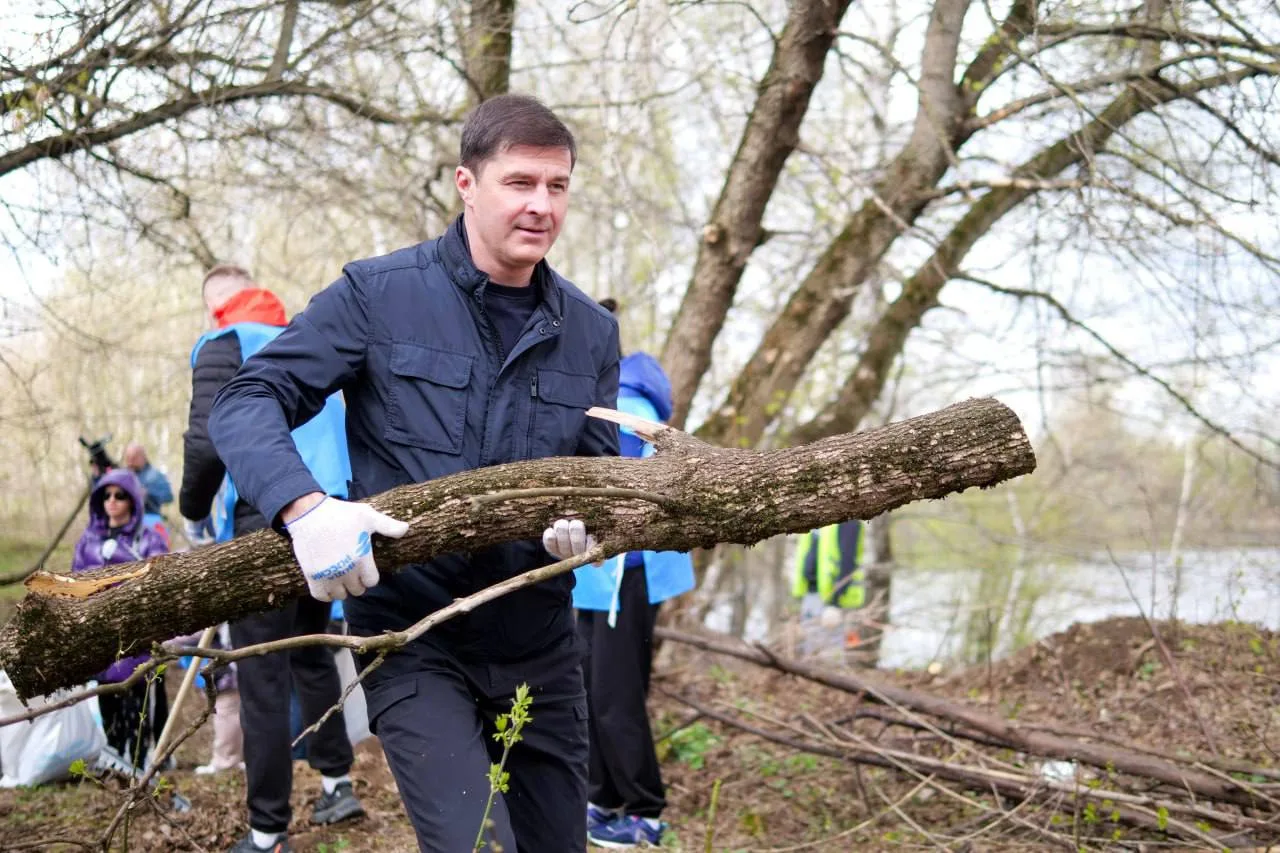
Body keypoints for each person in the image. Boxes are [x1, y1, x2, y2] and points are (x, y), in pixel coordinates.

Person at [207, 93, 619, 853]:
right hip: (412, 637)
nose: (541, 206)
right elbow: (246, 399)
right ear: (467, 184)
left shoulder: (591, 332)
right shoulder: (380, 295)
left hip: (538, 642)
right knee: (473, 846)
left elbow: (596, 475)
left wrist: (586, 533)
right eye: (520, 183)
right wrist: (304, 508)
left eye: (557, 186)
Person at [180, 263, 362, 853]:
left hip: (267, 519)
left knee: (260, 671)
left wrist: (192, 509)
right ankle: (338, 783)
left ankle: (266, 832)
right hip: (331, 514)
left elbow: (209, 438)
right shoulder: (302, 341)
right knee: (310, 657)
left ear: (218, 307)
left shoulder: (221, 343)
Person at [573, 339, 694, 848]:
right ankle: (602, 800)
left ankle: (644, 812)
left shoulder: (626, 402)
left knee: (615, 697)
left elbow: (627, 491)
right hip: (593, 579)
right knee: (587, 688)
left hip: (628, 571)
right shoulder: (600, 393)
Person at [71, 469, 170, 769]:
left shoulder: (147, 539)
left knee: (137, 702)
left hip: (135, 635)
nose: (112, 502)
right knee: (108, 704)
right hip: (100, 636)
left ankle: (139, 761)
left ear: (133, 501)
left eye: (120, 496)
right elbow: (74, 584)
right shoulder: (88, 541)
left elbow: (160, 576)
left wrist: (122, 561)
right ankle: (114, 759)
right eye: (106, 495)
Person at [792, 520, 866, 656]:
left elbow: (848, 562)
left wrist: (834, 603)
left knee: (831, 652)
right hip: (811, 594)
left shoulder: (848, 520)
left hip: (833, 599)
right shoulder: (813, 518)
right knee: (811, 650)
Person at [123, 443, 174, 518]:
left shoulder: (156, 475)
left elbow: (169, 497)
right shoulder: (122, 475)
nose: (130, 461)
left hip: (149, 519)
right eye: (128, 458)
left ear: (143, 457)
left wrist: (148, 494)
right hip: (126, 520)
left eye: (134, 457)